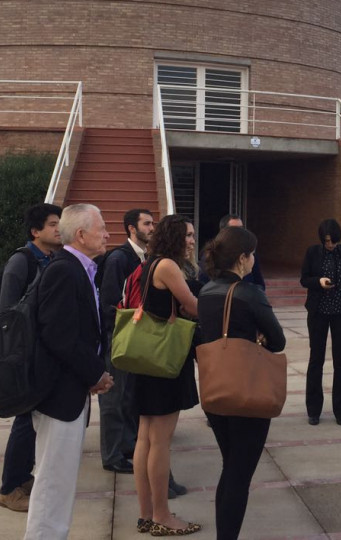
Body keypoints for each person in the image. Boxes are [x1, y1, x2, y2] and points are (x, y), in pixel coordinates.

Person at [25, 204, 114, 540]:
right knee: (53, 480)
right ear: (80, 235)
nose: (107, 234)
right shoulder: (65, 270)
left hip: (68, 391)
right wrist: (95, 374)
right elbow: (58, 335)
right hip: (59, 394)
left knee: (60, 478)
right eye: (102, 228)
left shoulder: (78, 268)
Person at [198, 226, 286, 540]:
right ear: (241, 258)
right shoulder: (250, 293)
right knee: (239, 473)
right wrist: (256, 339)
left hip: (216, 390)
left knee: (231, 466)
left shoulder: (205, 291)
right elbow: (277, 340)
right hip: (248, 392)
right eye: (252, 254)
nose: (254, 260)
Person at [132, 214, 201, 536]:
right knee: (160, 441)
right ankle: (163, 515)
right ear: (174, 237)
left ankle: (146, 513)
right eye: (187, 235)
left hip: (147, 360)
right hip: (166, 362)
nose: (191, 241)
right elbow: (192, 307)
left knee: (145, 438)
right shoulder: (169, 267)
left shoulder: (149, 264)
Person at [0, 203, 62, 513]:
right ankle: (9, 488)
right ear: (36, 232)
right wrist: (16, 356)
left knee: (33, 420)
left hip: (42, 353)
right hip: (23, 354)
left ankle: (22, 479)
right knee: (24, 419)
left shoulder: (50, 260)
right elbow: (6, 315)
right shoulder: (21, 262)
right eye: (53, 225)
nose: (58, 229)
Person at [97, 208, 153, 475]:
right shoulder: (119, 258)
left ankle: (128, 444)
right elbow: (109, 302)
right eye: (147, 223)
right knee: (114, 398)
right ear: (132, 228)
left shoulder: (144, 257)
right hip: (119, 336)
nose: (152, 228)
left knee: (130, 395)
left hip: (134, 336)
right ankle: (112, 455)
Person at [300, 218, 341, 426]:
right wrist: (318, 282)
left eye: (333, 241)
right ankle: (314, 409)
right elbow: (304, 279)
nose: (331, 245)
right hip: (319, 311)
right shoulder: (312, 253)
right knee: (316, 359)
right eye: (327, 241)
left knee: (340, 361)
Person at [199, 214, 266, 290]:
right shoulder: (212, 254)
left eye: (241, 228)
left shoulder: (249, 254)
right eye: (235, 229)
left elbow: (260, 284)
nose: (240, 233)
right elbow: (204, 286)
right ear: (224, 232)